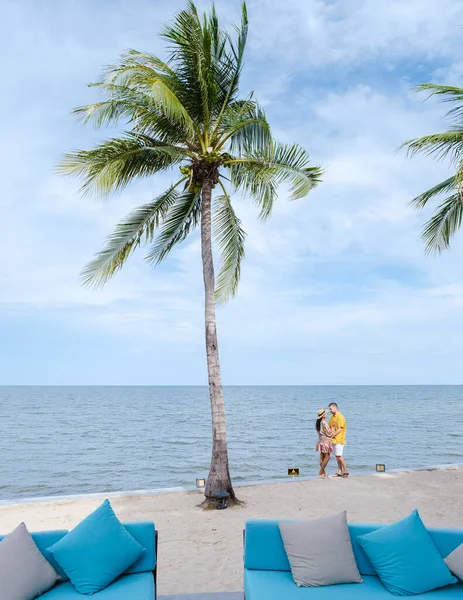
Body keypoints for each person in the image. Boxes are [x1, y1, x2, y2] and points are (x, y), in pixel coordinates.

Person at [328, 402, 349, 478]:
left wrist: (333, 435)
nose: (330, 410)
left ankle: (346, 470)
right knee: (337, 456)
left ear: (335, 407)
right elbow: (329, 426)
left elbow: (340, 428)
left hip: (339, 439)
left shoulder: (340, 416)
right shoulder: (333, 417)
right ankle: (339, 471)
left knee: (339, 455)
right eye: (329, 409)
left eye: (330, 409)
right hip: (333, 440)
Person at [315, 409, 333, 479]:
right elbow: (329, 433)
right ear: (323, 416)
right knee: (327, 457)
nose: (326, 415)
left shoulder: (318, 423)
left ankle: (324, 473)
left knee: (322, 457)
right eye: (325, 414)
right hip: (326, 441)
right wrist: (333, 428)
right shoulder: (324, 423)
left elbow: (321, 432)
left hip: (321, 440)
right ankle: (321, 472)